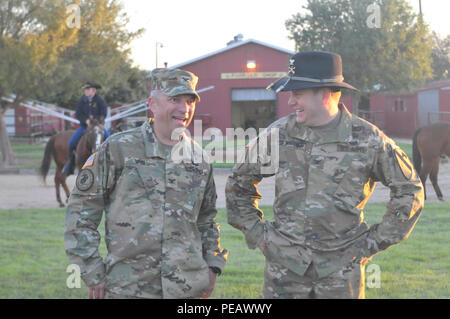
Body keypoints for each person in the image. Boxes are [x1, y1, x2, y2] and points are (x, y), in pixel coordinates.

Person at [226, 51, 424, 299]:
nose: (290, 102)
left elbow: (410, 190)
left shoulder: (368, 139)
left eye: (297, 94)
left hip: (341, 273)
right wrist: (259, 235)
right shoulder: (277, 135)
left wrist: (371, 243)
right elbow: (238, 184)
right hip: (284, 272)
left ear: (326, 93)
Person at [65, 68, 228, 299]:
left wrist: (212, 266)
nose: (184, 108)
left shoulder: (199, 158)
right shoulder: (118, 149)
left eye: (190, 101)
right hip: (128, 288)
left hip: (187, 289)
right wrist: (91, 270)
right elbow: (80, 212)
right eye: (175, 99)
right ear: (152, 104)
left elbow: (207, 219)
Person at [62, 82, 110, 175]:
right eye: (85, 89)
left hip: (98, 126)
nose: (86, 91)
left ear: (94, 90)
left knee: (109, 138)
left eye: (88, 89)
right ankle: (70, 164)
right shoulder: (81, 101)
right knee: (72, 142)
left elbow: (103, 113)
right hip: (84, 127)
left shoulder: (100, 100)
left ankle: (110, 162)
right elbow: (78, 114)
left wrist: (95, 120)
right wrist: (86, 120)